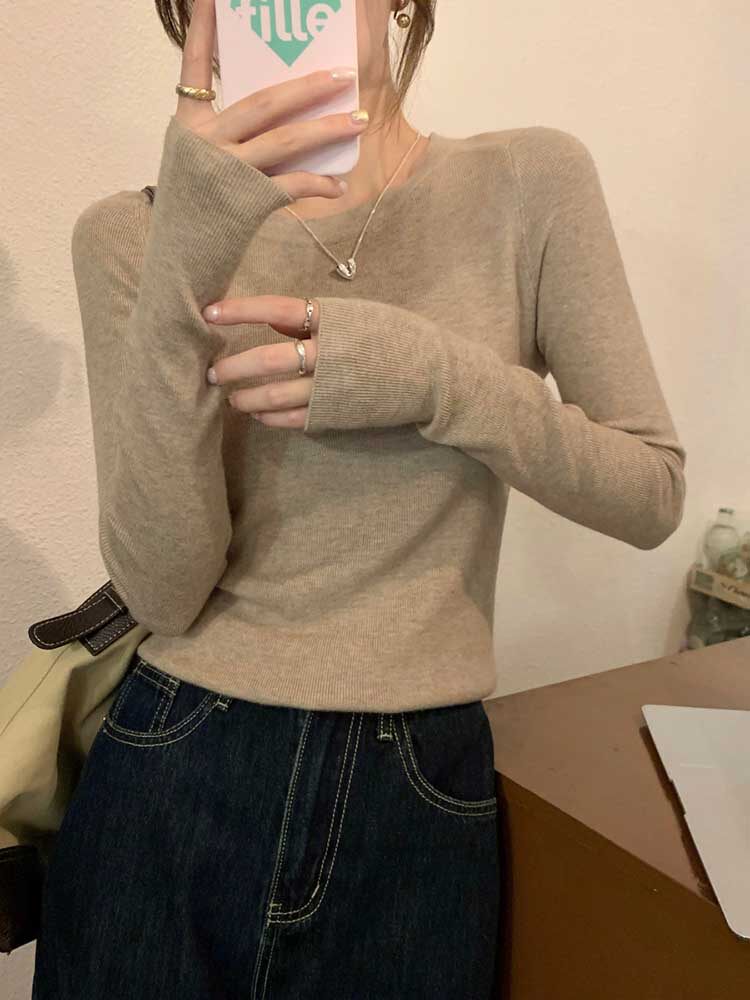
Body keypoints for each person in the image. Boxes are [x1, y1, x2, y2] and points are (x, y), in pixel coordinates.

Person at [31, 0, 687, 997]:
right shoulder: (131, 233)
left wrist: (438, 380)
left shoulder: (527, 182)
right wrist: (185, 262)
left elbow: (650, 493)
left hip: (417, 784)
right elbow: (164, 590)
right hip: (176, 761)